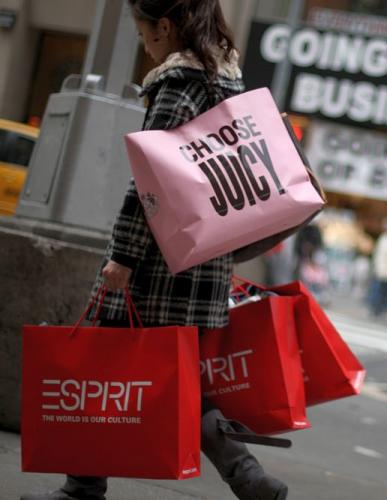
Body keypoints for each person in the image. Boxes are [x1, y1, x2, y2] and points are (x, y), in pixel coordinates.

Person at [21, 2, 287, 500]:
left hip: (158, 266)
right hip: (205, 261)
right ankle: (250, 480)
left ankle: (83, 488)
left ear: (165, 27)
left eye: (143, 33)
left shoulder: (179, 84)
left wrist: (122, 254)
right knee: (177, 377)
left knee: (99, 368)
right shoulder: (229, 81)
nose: (145, 45)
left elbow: (150, 183)